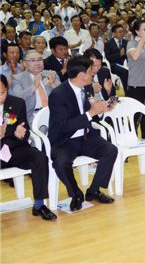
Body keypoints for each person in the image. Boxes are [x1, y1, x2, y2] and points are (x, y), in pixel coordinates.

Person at [48, 56, 118, 211]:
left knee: (110, 150)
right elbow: (63, 125)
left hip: (86, 135)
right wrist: (91, 113)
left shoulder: (86, 89)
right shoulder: (58, 94)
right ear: (81, 75)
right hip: (65, 139)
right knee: (61, 162)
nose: (93, 74)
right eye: (90, 71)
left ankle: (94, 190)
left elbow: (89, 111)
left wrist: (101, 109)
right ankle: (76, 194)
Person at [0, 74, 57, 221]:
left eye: (2, 93)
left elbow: (24, 132)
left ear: (7, 89)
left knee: (39, 158)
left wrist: (21, 135)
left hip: (15, 148)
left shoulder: (17, 103)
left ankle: (39, 204)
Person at [10, 50, 60, 125]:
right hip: (33, 115)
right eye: (32, 60)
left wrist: (53, 85)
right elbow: (16, 100)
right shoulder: (17, 79)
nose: (37, 63)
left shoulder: (51, 74)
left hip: (54, 112)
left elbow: (64, 96)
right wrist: (34, 86)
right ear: (24, 64)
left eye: (40, 59)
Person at [104, 24, 128, 94]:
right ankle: (127, 92)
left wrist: (125, 54)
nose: (122, 33)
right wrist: (119, 55)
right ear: (114, 33)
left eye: (122, 32)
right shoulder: (108, 43)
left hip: (126, 63)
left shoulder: (126, 42)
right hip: (114, 65)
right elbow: (108, 57)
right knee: (125, 72)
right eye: (119, 32)